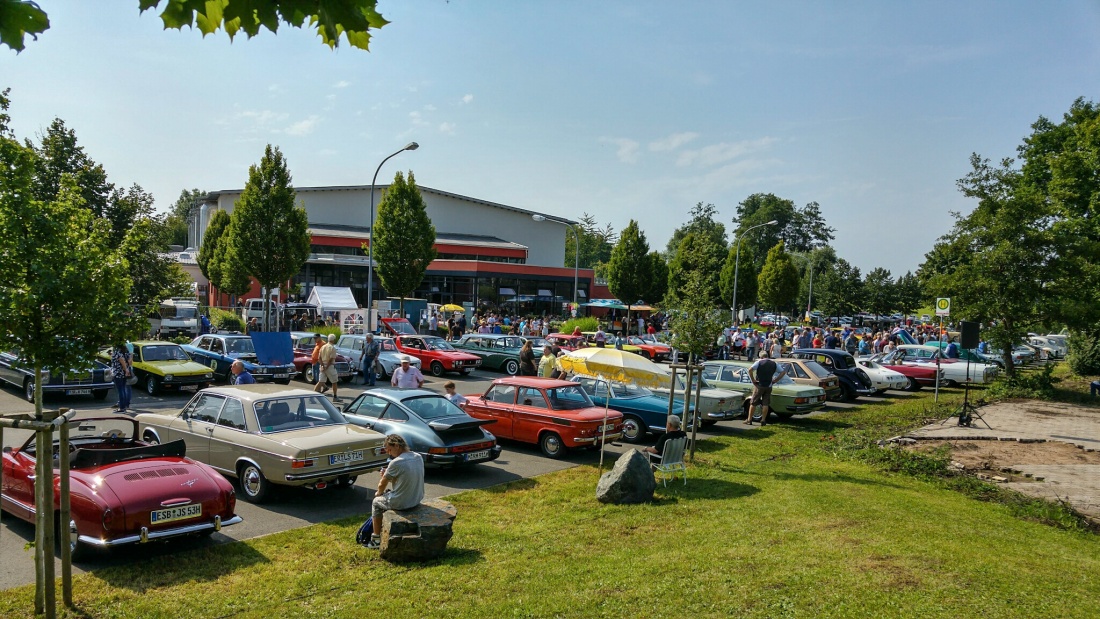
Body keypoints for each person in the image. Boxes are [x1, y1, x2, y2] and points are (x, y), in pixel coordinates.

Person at [365, 434, 425, 550]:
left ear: (397, 446)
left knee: (376, 502)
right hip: (417, 499)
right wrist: (389, 475)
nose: (388, 453)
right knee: (388, 494)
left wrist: (378, 493)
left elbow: (382, 484)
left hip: (402, 503)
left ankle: (376, 539)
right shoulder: (418, 457)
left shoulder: (396, 462)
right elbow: (405, 477)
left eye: (389, 449)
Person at [747, 351, 785, 426]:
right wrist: (775, 380)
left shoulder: (759, 362)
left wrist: (753, 379)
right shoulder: (774, 363)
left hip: (759, 385)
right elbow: (783, 372)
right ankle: (763, 420)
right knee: (765, 403)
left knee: (753, 402)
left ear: (760, 357)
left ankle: (749, 419)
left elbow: (750, 370)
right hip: (769, 385)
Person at [314, 334, 341, 402]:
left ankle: (312, 396)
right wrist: (326, 367)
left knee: (320, 381)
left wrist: (322, 365)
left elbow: (319, 358)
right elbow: (331, 359)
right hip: (330, 366)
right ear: (333, 340)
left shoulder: (323, 347)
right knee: (334, 381)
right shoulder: (332, 348)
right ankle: (335, 396)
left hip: (322, 365)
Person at [110, 341, 133, 413]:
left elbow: (121, 360)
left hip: (118, 373)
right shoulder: (126, 351)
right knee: (123, 389)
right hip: (124, 373)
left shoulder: (117, 351)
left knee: (121, 390)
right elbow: (130, 361)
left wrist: (125, 369)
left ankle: (122, 408)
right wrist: (126, 369)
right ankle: (124, 406)